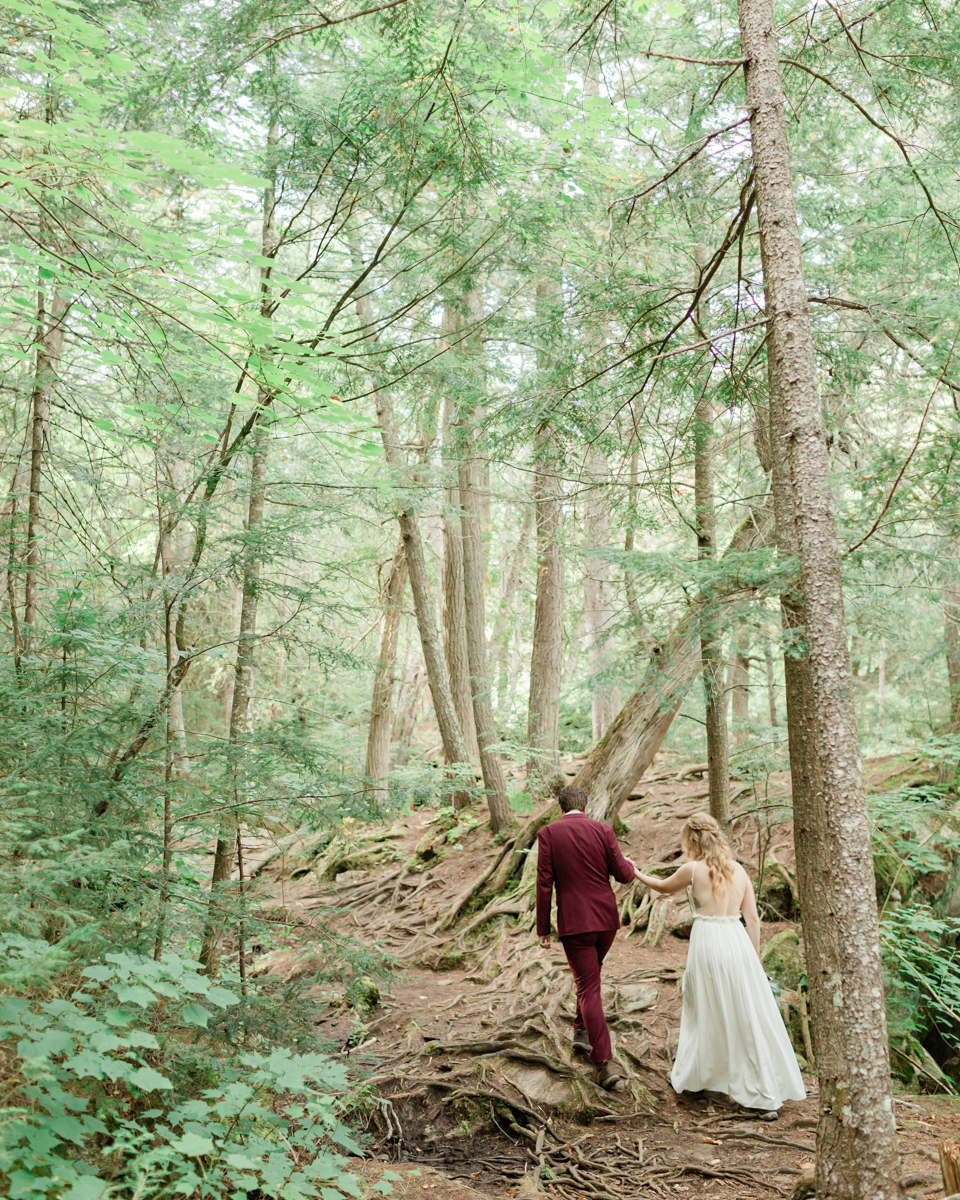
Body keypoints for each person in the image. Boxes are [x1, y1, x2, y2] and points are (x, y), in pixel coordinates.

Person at [635, 813, 805, 1119]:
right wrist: (753, 960)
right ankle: (761, 1093)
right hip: (737, 942)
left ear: (694, 840)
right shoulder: (739, 871)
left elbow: (661, 886)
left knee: (706, 1009)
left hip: (709, 943)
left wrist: (634, 871)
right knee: (745, 1013)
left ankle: (702, 1078)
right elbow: (752, 919)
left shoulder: (693, 869)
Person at [536, 784, 636, 1090]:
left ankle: (603, 1064)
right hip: (606, 921)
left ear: (561, 807)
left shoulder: (549, 833)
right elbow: (624, 875)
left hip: (576, 923)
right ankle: (580, 1031)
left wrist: (543, 928)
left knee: (588, 986)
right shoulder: (604, 830)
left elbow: (544, 883)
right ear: (586, 806)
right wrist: (631, 866)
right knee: (589, 981)